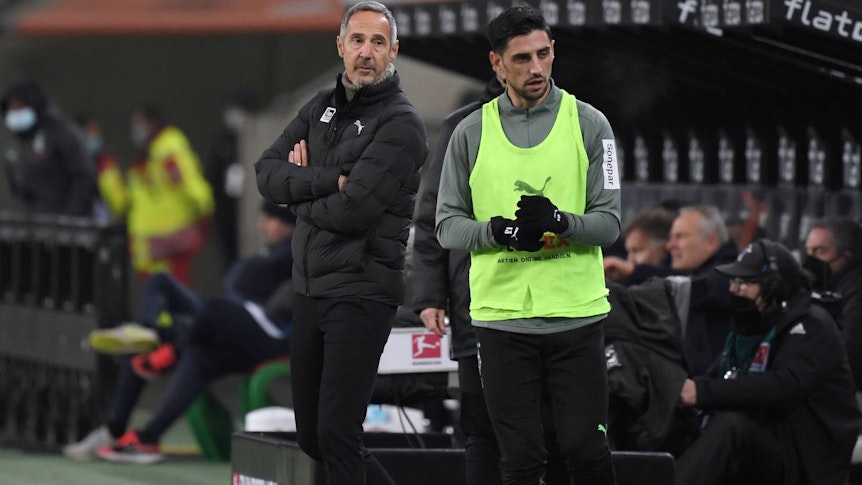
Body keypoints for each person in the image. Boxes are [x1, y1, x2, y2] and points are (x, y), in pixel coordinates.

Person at [435, 5, 620, 483]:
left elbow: (611, 223)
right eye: (521, 59)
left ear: (554, 51)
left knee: (585, 450)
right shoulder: (468, 133)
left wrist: (561, 221)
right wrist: (495, 232)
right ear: (496, 64)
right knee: (519, 460)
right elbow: (445, 226)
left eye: (543, 54)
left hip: (576, 316)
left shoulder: (592, 124)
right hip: (502, 320)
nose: (536, 68)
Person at [254, 2, 427, 484]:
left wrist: (301, 186)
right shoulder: (321, 106)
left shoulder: (401, 124)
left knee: (336, 434)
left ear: (394, 51)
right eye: (357, 40)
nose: (366, 53)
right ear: (340, 46)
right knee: (313, 437)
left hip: (361, 292)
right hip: (310, 289)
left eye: (377, 43)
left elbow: (355, 212)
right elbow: (266, 173)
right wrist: (326, 180)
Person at [62, 201, 295, 463]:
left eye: (270, 219)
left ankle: (168, 353)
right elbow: (237, 285)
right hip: (225, 325)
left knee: (214, 312)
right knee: (164, 299)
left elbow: (253, 292)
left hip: (265, 334)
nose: (262, 225)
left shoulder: (296, 249)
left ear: (289, 222)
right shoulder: (272, 251)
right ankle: (145, 337)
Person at [675, 239, 862, 485]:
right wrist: (679, 390)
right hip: (771, 441)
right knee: (680, 417)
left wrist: (701, 392)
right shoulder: (753, 325)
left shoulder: (812, 325)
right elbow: (717, 376)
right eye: (734, 281)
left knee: (733, 428)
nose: (735, 289)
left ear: (774, 286)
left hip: (805, 457)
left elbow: (782, 387)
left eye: (745, 282)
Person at [97, 104, 214, 284]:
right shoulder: (144, 162)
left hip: (169, 242)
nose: (135, 130)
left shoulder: (168, 152)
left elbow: (192, 187)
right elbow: (123, 203)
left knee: (170, 298)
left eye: (139, 124)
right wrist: (106, 172)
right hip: (150, 246)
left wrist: (204, 216)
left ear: (152, 123)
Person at [1, 80, 96, 216]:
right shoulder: (13, 148)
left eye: (19, 108)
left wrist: (70, 215)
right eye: (11, 109)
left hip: (69, 224)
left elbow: (84, 179)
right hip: (33, 227)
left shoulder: (62, 134)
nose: (15, 114)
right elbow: (17, 191)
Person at [803, 217, 862, 390]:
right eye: (808, 251)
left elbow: (849, 346)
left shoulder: (856, 290)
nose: (810, 261)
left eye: (820, 251)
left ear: (846, 257)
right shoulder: (820, 285)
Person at [207, 89, 260, 272]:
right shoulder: (224, 142)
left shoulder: (256, 140)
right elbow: (213, 176)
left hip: (251, 214)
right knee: (229, 260)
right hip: (226, 213)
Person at [603, 206, 676, 281]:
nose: (630, 260)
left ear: (663, 248)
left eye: (637, 250)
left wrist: (632, 270)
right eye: (629, 252)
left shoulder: (680, 280)